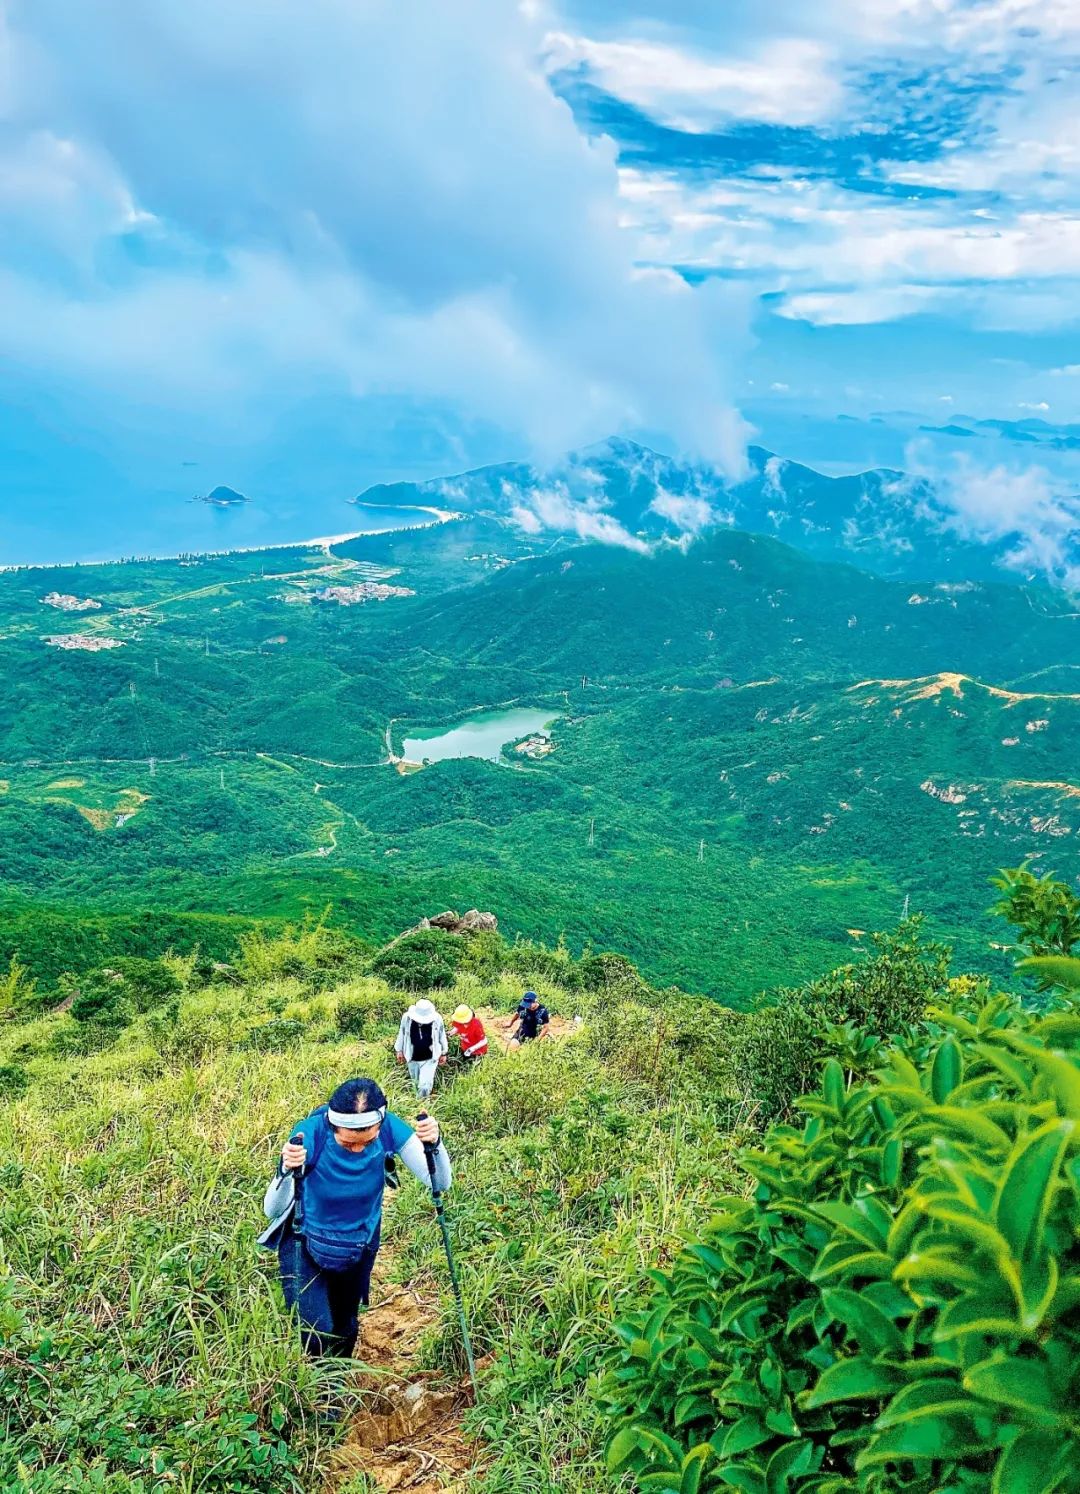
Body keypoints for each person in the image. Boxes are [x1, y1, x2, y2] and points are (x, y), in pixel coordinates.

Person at [259, 1076, 451, 1359]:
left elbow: (439, 1182)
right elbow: (272, 1210)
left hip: (358, 1243)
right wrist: (286, 1169)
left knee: (345, 1324)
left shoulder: (389, 1128)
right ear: (333, 1125)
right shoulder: (310, 1133)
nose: (359, 1149)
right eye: (348, 1144)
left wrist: (435, 1144)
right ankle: (320, 1394)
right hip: (304, 1237)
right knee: (315, 1331)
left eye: (368, 1141)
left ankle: (338, 1381)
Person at [394, 997, 448, 1098]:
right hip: (412, 1056)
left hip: (430, 1058)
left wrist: (444, 1052)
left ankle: (422, 1103)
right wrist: (399, 1050)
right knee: (415, 1082)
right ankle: (418, 1103)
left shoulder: (437, 1019)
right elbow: (401, 1033)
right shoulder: (407, 1018)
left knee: (424, 1086)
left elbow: (441, 1034)